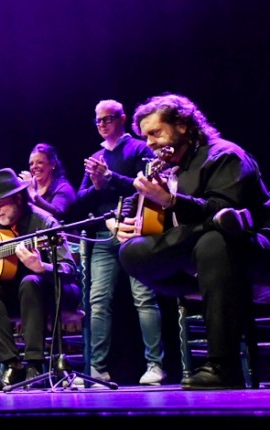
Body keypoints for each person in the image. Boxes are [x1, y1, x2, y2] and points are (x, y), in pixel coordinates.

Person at [117, 93, 270, 390]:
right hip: (202, 261)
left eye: (155, 133)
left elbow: (228, 211)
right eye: (145, 136)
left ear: (182, 125)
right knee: (130, 253)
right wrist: (130, 225)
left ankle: (223, 367)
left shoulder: (225, 155)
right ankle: (205, 264)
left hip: (258, 249)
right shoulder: (171, 169)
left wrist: (172, 201)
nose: (149, 143)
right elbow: (153, 217)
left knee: (216, 238)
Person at [0, 168, 81, 388]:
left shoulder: (44, 222)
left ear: (18, 198)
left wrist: (42, 267)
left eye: (1, 203)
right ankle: (12, 363)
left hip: (50, 292)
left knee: (30, 282)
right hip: (14, 295)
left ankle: (34, 364)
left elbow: (69, 269)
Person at [75, 99, 166, 386]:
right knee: (98, 301)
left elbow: (147, 186)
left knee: (144, 298)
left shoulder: (139, 148)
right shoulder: (95, 157)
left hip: (136, 230)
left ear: (122, 118)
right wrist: (97, 186)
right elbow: (79, 200)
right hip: (105, 234)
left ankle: (155, 365)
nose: (102, 124)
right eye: (98, 120)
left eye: (108, 118)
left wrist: (109, 177)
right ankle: (96, 369)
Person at [18, 143, 76, 220]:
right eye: (31, 164)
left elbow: (57, 215)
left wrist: (32, 193)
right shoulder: (30, 188)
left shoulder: (64, 189)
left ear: (53, 164)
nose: (34, 167)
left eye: (40, 162)